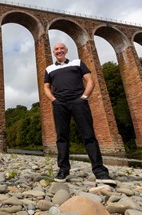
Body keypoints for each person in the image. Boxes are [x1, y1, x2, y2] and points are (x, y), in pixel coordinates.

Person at [44, 42, 116, 185]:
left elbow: (90, 80)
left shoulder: (78, 62)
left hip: (78, 102)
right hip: (60, 104)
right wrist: (53, 100)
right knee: (62, 137)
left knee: (89, 135)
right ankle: (63, 170)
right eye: (56, 49)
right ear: (53, 52)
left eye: (61, 49)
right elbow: (46, 87)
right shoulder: (49, 68)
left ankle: (100, 171)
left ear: (66, 51)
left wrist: (84, 97)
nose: (59, 51)